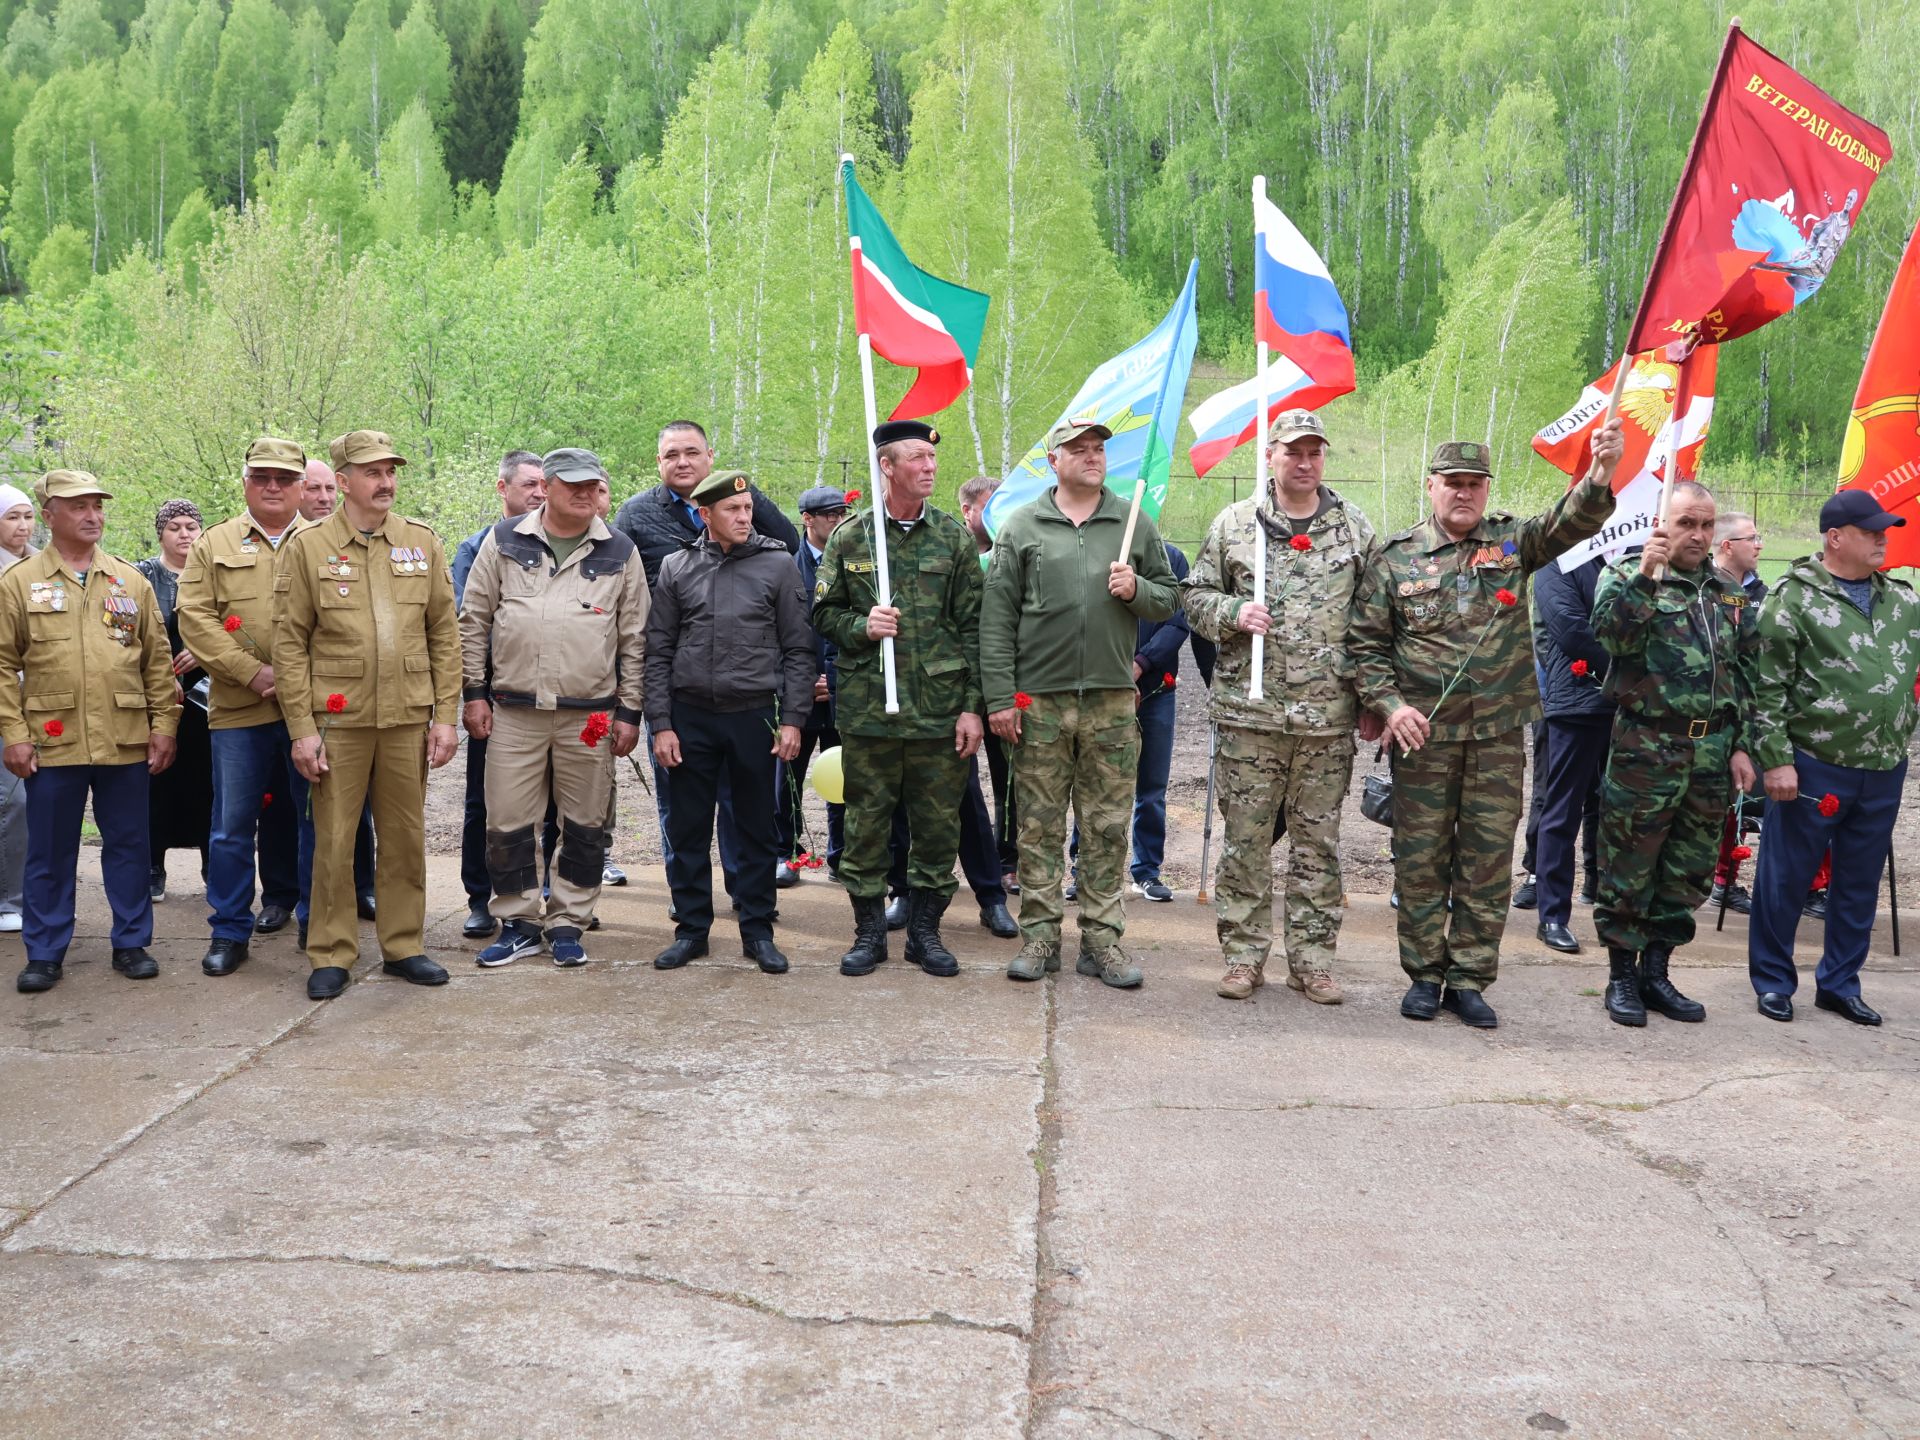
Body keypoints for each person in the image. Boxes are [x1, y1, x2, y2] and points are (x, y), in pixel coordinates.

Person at [1350, 424, 1623, 1029]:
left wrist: (1599, 473)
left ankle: (1470, 977)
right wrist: (1391, 706)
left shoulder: (1510, 543)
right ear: (1432, 487)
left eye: (1475, 484)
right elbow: (1364, 649)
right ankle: (1424, 974)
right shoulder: (1396, 560)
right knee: (1421, 860)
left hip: (1498, 734)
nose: (1464, 495)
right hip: (1423, 739)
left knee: (1486, 860)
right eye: (1453, 484)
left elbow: (1569, 523)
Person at [1184, 409, 1380, 1002]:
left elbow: (1377, 621)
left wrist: (1372, 696)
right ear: (1270, 455)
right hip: (1252, 717)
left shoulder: (1355, 530)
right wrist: (1231, 614)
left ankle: (1313, 960)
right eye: (1293, 451)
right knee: (1245, 842)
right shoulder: (1236, 524)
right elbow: (1192, 597)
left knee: (1316, 845)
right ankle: (1243, 957)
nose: (1304, 462)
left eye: (1315, 451)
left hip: (1327, 719)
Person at [982, 412, 1178, 988]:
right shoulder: (1023, 526)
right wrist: (999, 697)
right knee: (1038, 826)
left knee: (1107, 826)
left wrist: (1136, 590)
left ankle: (1102, 942)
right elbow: (996, 622)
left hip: (1113, 703)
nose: (1093, 456)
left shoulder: (1131, 521)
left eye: (1099, 449)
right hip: (1037, 701)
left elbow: (1170, 599)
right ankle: (1040, 939)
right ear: (1054, 461)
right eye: (1080, 448)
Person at [272, 430, 461, 1001]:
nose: (386, 482)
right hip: (338, 720)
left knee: (404, 836)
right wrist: (302, 730)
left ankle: (404, 945)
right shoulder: (308, 547)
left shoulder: (420, 542)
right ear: (343, 480)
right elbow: (289, 644)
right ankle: (331, 952)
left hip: (406, 716)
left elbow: (443, 635)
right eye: (372, 472)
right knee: (334, 839)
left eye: (391, 471)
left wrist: (445, 715)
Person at [460, 448, 647, 967]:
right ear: (549, 486)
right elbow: (473, 620)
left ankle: (569, 922)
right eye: (574, 485)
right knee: (507, 824)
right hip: (514, 712)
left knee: (586, 825)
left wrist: (630, 712)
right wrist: (472, 692)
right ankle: (518, 922)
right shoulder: (503, 542)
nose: (585, 494)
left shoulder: (621, 551)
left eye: (594, 485)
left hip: (590, 716)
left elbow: (635, 639)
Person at [813, 422, 986, 978]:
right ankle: (868, 936)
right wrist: (862, 624)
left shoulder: (953, 539)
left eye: (933, 456)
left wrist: (971, 707)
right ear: (886, 467)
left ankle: (925, 936)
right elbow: (821, 613)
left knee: (938, 830)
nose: (930, 466)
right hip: (870, 712)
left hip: (938, 713)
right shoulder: (852, 537)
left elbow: (975, 628)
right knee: (866, 826)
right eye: (916, 457)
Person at [1745, 490, 1920, 1025]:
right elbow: (1766, 687)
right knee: (1787, 877)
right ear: (1835, 537)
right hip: (1815, 761)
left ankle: (1840, 982)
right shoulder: (1791, 597)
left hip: (1883, 764)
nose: (1882, 539)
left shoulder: (1902, 600)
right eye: (1870, 531)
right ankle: (1774, 981)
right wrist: (1776, 760)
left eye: (1883, 530)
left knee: (1859, 881)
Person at [1, 470, 178, 993]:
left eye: (97, 506)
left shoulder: (129, 580)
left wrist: (164, 724)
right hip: (51, 737)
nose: (91, 515)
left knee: (128, 844)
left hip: (124, 734)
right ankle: (46, 950)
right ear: (50, 514)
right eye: (77, 506)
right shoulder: (20, 582)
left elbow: (158, 660)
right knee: (50, 848)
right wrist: (13, 732)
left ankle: (131, 942)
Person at [1589, 482, 1755, 1026]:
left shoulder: (1726, 590)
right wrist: (1644, 579)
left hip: (1710, 752)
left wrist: (1742, 746)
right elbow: (1609, 637)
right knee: (1630, 862)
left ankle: (1657, 973)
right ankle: (1621, 976)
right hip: (1647, 745)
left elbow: (1748, 675)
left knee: (1688, 868)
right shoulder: (1629, 574)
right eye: (1688, 523)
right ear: (1663, 523)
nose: (1699, 535)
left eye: (1707, 526)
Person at [613, 421, 797, 913]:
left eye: (692, 453)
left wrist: (740, 497)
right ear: (659, 462)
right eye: (671, 454)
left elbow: (790, 548)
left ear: (710, 457)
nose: (682, 462)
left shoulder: (742, 502)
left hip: (745, 685)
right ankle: (688, 904)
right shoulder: (635, 515)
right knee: (682, 811)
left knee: (744, 808)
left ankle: (747, 895)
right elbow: (622, 590)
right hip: (680, 682)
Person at [644, 469, 813, 974]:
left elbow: (798, 649)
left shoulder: (777, 565)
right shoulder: (676, 567)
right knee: (688, 829)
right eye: (732, 511)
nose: (744, 518)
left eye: (747, 510)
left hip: (753, 718)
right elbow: (658, 650)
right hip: (690, 717)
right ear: (705, 515)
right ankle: (692, 930)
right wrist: (661, 723)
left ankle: (757, 930)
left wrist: (795, 720)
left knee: (757, 829)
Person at [176, 438, 316, 977]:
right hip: (240, 708)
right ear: (246, 483)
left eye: (284, 478)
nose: (273, 487)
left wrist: (299, 678)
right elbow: (195, 618)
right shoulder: (214, 544)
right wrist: (252, 672)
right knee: (232, 824)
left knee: (316, 820)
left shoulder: (328, 541)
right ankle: (230, 930)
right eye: (262, 478)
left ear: (302, 486)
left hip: (315, 712)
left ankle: (316, 923)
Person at [451, 449, 547, 939]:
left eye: (543, 484)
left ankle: (544, 893)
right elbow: (472, 625)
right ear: (502, 488)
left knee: (553, 805)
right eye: (528, 484)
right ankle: (479, 897)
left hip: (557, 701)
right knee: (484, 803)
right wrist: (477, 693)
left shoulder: (563, 544)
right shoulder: (477, 548)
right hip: (499, 700)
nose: (538, 492)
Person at [1528, 554, 1613, 954]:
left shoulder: (1640, 554)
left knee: (1622, 813)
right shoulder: (1559, 561)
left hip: (1634, 708)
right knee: (1562, 811)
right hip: (1578, 701)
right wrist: (1630, 670)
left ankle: (1616, 915)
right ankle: (1552, 915)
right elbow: (1569, 628)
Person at [136, 500, 211, 903]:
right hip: (157, 691)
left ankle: (211, 863)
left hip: (210, 692)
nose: (185, 534)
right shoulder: (142, 575)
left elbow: (237, 626)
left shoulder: (215, 572)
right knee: (156, 779)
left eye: (192, 526)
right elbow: (129, 631)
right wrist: (160, 671)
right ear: (161, 533)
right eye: (175, 527)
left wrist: (205, 652)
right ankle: (152, 865)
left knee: (207, 781)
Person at [775, 485, 850, 885]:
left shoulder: (858, 563)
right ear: (808, 519)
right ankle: (787, 853)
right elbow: (777, 634)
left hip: (843, 691)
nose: (838, 521)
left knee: (842, 779)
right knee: (787, 779)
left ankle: (842, 855)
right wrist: (804, 682)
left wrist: (833, 680)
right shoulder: (786, 567)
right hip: (798, 695)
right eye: (830, 514)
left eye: (843, 513)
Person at [958, 474, 1019, 891]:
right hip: (959, 689)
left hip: (1006, 685)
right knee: (954, 785)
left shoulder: (1012, 554)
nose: (1000, 513)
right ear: (968, 510)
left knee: (1010, 779)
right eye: (990, 504)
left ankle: (1007, 862)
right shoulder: (953, 551)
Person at [1708, 510, 1767, 914]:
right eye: (1751, 538)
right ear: (1727, 545)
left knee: (1747, 797)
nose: (1759, 545)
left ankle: (1731, 878)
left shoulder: (1762, 593)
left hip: (1753, 715)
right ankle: (1718, 879)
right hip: (1712, 718)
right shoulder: (1707, 590)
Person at [0, 482, 38, 935]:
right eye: (12, 517)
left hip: (40, 699)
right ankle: (10, 897)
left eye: (27, 517)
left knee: (29, 800)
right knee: (12, 799)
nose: (22, 527)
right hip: (7, 695)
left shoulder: (39, 567)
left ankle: (27, 894)